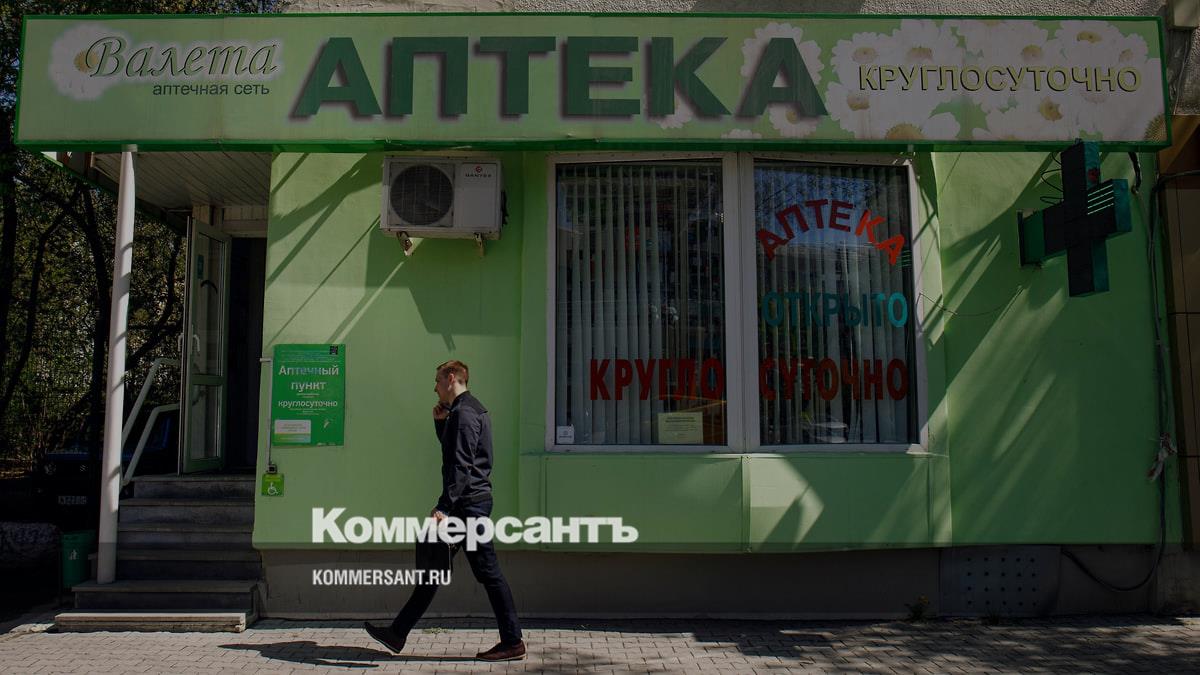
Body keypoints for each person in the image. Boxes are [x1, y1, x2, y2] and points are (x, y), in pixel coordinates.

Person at [364, 360, 526, 662]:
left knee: (488, 573)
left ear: (451, 378)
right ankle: (397, 633)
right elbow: (458, 454)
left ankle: (513, 642)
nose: (435, 387)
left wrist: (444, 506)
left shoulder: (464, 414)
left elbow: (460, 465)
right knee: (433, 567)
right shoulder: (468, 410)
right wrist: (441, 424)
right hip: (468, 503)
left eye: (437, 381)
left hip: (468, 506)